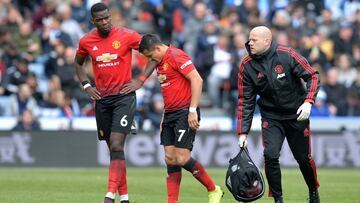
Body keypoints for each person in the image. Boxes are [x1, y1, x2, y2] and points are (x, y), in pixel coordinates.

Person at [122, 34, 224, 203]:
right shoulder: (160, 61)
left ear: (157, 48)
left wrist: (192, 110)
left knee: (182, 158)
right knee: (170, 158)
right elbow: (170, 91)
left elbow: (197, 80)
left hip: (185, 112)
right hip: (169, 113)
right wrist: (164, 116)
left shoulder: (177, 56)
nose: (150, 60)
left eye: (149, 55)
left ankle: (213, 189)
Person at [73, 3, 155, 203]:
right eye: (99, 20)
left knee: (117, 145)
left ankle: (109, 196)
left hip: (124, 97)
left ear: (110, 16)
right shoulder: (86, 41)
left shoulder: (127, 35)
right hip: (102, 100)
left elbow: (155, 54)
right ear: (93, 21)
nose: (105, 22)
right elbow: (78, 63)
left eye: (107, 18)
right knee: (114, 150)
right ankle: (125, 198)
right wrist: (86, 85)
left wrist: (140, 80)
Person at [237, 26, 320, 203]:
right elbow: (246, 100)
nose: (249, 43)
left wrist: (308, 101)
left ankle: (313, 192)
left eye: (254, 40)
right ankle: (278, 199)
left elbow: (312, 76)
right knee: (270, 155)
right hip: (271, 117)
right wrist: (243, 132)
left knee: (303, 159)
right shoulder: (246, 65)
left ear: (267, 41)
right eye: (249, 39)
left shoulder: (287, 55)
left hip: (297, 115)